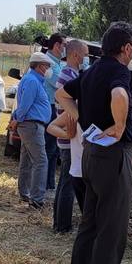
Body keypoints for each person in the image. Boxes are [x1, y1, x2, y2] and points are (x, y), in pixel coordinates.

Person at [57, 20, 132, 264]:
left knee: (90, 224)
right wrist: (119, 124)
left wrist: (78, 116)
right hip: (114, 155)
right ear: (127, 48)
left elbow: (62, 94)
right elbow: (119, 95)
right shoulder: (119, 72)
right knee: (111, 226)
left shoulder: (90, 71)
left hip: (91, 154)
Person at [51, 39, 88, 233]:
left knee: (65, 181)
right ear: (75, 54)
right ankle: (63, 226)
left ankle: (59, 222)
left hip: (68, 134)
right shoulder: (68, 75)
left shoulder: (71, 73)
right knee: (68, 183)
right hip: (69, 135)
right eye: (85, 53)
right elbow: (68, 105)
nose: (87, 58)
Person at [10, 51, 54, 209]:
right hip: (32, 125)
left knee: (28, 160)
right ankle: (36, 199)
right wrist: (17, 119)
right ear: (41, 66)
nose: (49, 70)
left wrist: (17, 119)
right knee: (41, 161)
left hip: (30, 125)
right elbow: (25, 105)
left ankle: (25, 193)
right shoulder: (32, 81)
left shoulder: (32, 80)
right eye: (48, 66)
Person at [40, 32, 66, 191]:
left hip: (53, 107)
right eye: (64, 46)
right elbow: (59, 83)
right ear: (57, 46)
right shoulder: (47, 63)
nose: (65, 49)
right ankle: (47, 185)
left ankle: (49, 183)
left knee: (54, 149)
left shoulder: (56, 63)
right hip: (48, 108)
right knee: (49, 148)